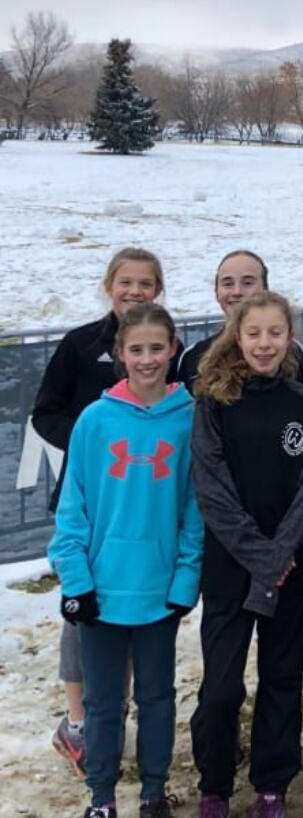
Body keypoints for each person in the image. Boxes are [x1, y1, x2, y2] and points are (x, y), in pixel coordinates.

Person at [50, 303, 202, 818]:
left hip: (158, 591)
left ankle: (155, 798)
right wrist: (76, 579)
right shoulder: (95, 419)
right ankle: (100, 803)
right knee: (103, 702)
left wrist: (186, 578)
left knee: (158, 699)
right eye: (135, 349)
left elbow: (194, 510)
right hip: (102, 594)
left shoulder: (188, 419)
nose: (146, 359)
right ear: (121, 354)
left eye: (156, 349)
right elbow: (73, 509)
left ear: (172, 350)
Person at [181, 292, 303, 818]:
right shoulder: (213, 402)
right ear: (236, 337)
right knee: (219, 690)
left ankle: (270, 792)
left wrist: (280, 554)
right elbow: (211, 489)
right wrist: (260, 557)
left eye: (275, 333)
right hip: (231, 570)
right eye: (254, 333)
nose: (265, 344)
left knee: (282, 683)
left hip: (290, 570)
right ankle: (214, 794)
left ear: (290, 338)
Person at [33, 247, 172, 780]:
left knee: (135, 609)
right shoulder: (79, 345)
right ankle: (79, 721)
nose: (135, 291)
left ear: (157, 290)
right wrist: (94, 444)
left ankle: (118, 709)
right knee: (83, 611)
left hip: (145, 499)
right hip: (90, 496)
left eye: (145, 283)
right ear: (109, 284)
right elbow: (45, 412)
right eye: (126, 282)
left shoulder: (159, 341)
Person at [176, 251, 303, 392]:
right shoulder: (192, 357)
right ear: (217, 293)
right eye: (227, 284)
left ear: (265, 290)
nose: (237, 291)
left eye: (247, 283)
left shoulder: (293, 352)